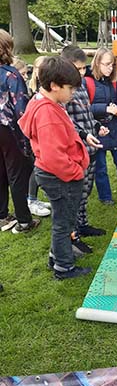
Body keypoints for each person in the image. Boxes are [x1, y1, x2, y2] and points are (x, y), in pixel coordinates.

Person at [18, 56, 92, 279]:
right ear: (54, 86)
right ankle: (64, 267)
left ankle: (56, 255)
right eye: (70, 88)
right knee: (64, 222)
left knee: (63, 219)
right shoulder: (47, 113)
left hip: (55, 174)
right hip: (60, 176)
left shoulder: (45, 102)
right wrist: (75, 171)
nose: (72, 93)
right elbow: (53, 156)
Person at [61, 46, 109, 249]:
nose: (82, 73)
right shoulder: (62, 88)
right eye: (78, 69)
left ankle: (82, 224)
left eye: (83, 69)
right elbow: (66, 120)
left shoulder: (80, 85)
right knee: (74, 195)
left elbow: (86, 114)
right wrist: (84, 134)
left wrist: (97, 127)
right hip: (75, 151)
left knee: (86, 190)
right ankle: (73, 237)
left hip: (90, 148)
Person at [85, 47, 117, 205]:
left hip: (115, 129)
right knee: (100, 167)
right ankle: (105, 196)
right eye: (107, 64)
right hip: (97, 130)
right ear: (97, 63)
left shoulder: (115, 82)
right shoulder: (87, 82)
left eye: (112, 65)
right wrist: (105, 108)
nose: (110, 68)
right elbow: (84, 108)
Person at [0, 29, 39, 234]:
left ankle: (2, 215)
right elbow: (21, 109)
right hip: (9, 130)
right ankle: (24, 220)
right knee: (16, 173)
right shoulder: (11, 74)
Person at [25, 55, 51, 217]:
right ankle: (31, 199)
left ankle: (36, 197)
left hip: (42, 134)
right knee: (37, 167)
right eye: (39, 69)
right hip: (32, 135)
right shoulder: (31, 91)